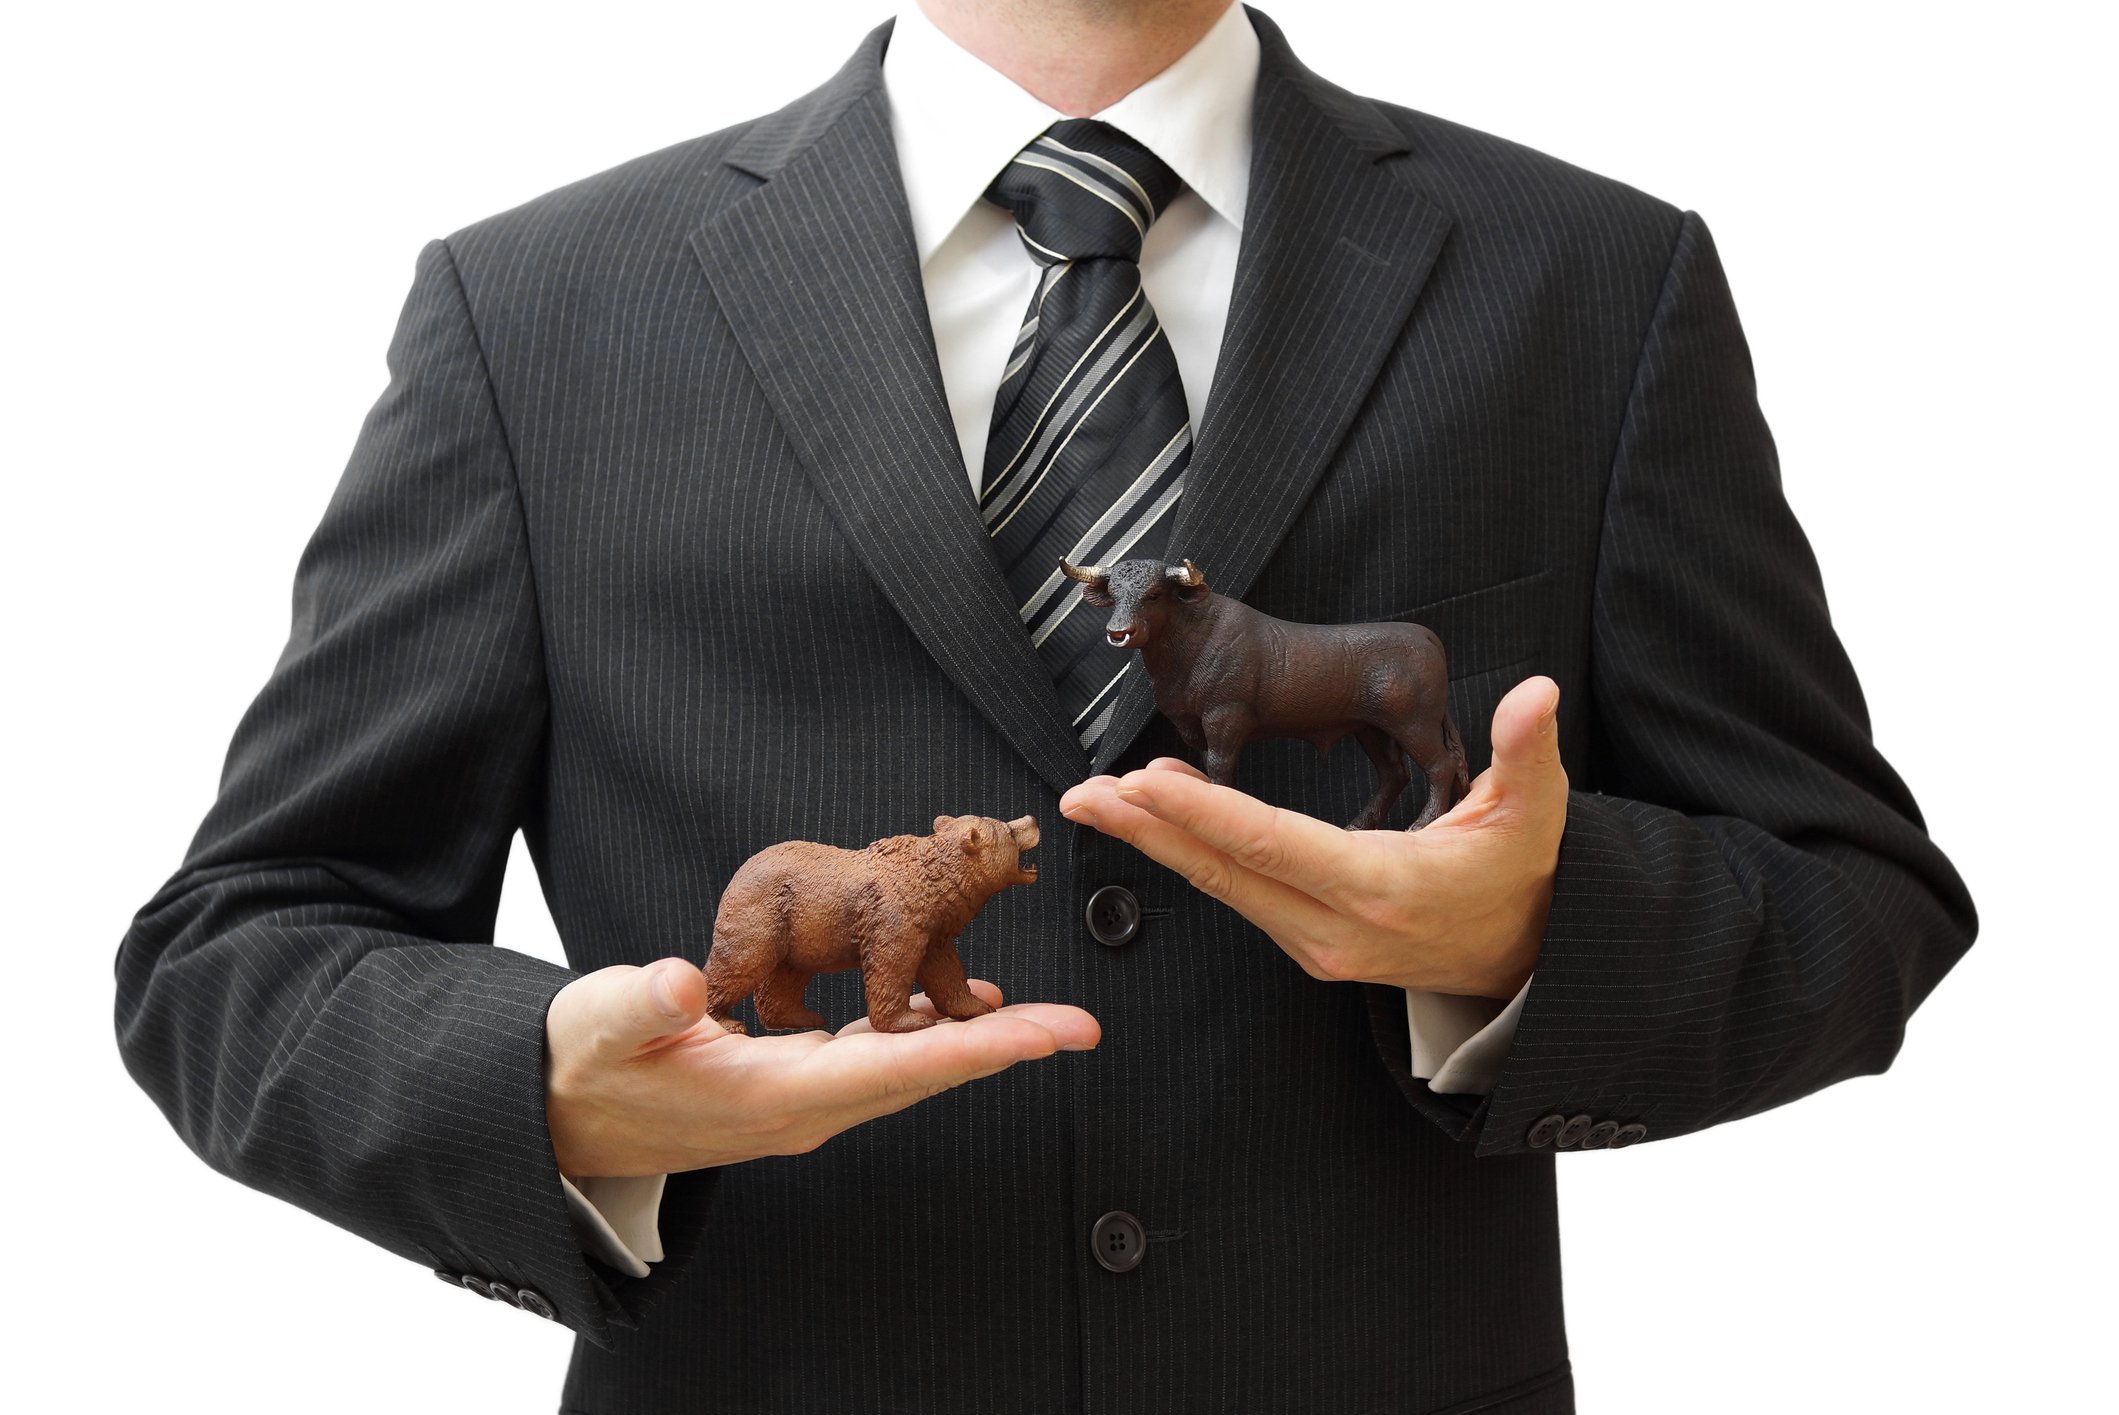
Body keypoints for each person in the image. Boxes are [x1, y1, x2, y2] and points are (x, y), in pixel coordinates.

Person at [112, 1, 1977, 1410]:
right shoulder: (537, 315)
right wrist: (544, 1097)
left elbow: (1853, 896)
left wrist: (1535, 942)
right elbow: (242, 953)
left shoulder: (1587, 284)